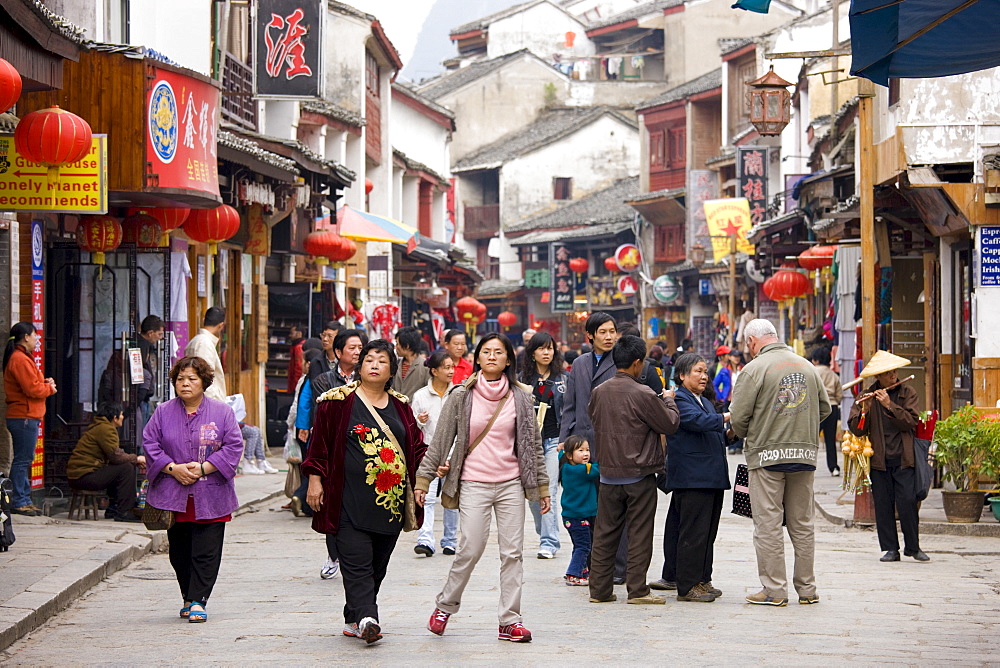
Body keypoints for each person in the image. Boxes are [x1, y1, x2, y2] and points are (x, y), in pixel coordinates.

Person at [417, 333, 549, 643]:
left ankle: (509, 620)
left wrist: (542, 487)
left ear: (507, 360)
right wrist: (424, 480)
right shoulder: (461, 395)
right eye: (486, 351)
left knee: (513, 553)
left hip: (511, 484)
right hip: (474, 482)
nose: (491, 356)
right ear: (477, 358)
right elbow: (440, 442)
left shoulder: (521, 396)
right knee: (470, 548)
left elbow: (532, 446)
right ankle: (444, 606)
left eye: (498, 352)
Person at [302, 339, 427, 644]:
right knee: (356, 558)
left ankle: (353, 616)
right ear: (359, 366)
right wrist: (315, 481)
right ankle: (369, 617)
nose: (374, 365)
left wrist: (427, 477)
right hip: (347, 499)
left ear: (391, 370)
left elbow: (418, 447)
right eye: (369, 359)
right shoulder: (337, 402)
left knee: (377, 565)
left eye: (382, 361)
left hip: (390, 504)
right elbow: (320, 445)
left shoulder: (401, 406)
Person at [729, 318, 831, 607]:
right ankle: (807, 589)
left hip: (767, 456)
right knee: (802, 524)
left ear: (751, 342)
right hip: (804, 455)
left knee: (768, 525)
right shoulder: (807, 366)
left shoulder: (754, 369)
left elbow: (738, 418)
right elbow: (825, 408)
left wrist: (756, 430)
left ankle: (775, 590)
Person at [143, 356, 244, 623]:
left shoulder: (222, 412)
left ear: (204, 382)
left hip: (212, 494)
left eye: (192, 379)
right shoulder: (163, 411)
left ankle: (199, 600)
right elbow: (150, 443)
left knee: (206, 550)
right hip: (174, 494)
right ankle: (188, 595)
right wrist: (172, 468)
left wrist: (202, 469)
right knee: (179, 552)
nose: (185, 384)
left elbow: (234, 446)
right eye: (180, 379)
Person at [586, 335, 679, 605]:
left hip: (607, 475)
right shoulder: (644, 393)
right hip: (639, 475)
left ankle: (599, 591)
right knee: (639, 533)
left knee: (604, 534)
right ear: (637, 363)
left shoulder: (599, 391)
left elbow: (594, 417)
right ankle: (637, 590)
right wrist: (669, 399)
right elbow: (669, 423)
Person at [660, 353, 730, 603]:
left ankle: (702, 579)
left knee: (707, 532)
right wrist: (726, 417)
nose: (703, 376)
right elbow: (698, 422)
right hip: (693, 477)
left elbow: (713, 431)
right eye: (698, 371)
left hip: (710, 476)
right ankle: (687, 585)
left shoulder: (703, 400)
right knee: (693, 533)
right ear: (682, 375)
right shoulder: (679, 399)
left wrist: (730, 434)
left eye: (705, 372)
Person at [847, 352, 927, 562]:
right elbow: (856, 430)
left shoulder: (907, 392)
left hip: (903, 457)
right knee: (883, 505)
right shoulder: (866, 395)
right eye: (887, 373)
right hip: (878, 459)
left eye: (894, 372)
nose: (893, 376)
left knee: (908, 502)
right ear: (878, 377)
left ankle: (913, 547)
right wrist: (864, 410)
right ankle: (890, 548)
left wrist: (889, 406)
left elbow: (911, 421)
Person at [519, 331, 567, 559]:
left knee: (549, 491)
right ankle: (545, 533)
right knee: (533, 492)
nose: (546, 352)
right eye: (541, 348)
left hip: (555, 441)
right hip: (529, 443)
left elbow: (570, 410)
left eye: (550, 348)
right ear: (532, 352)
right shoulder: (521, 380)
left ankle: (549, 541)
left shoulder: (564, 379)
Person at [3, 322, 57, 516]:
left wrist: (44, 382)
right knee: (22, 460)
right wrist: (49, 388)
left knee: (24, 459)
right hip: (23, 416)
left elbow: (33, 383)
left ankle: (23, 498)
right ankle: (19, 500)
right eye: (35, 336)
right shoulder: (20, 359)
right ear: (26, 337)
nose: (37, 339)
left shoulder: (22, 357)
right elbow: (32, 389)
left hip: (26, 416)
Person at [411, 351, 459, 556]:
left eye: (452, 367)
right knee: (427, 498)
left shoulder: (458, 393)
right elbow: (412, 428)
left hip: (454, 453)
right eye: (446, 367)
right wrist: (420, 422)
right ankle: (425, 538)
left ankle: (450, 540)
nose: (450, 371)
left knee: (451, 498)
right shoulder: (420, 396)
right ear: (434, 371)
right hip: (429, 453)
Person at [67, 402, 145, 522]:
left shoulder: (100, 426)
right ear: (115, 417)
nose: (123, 417)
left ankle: (113, 508)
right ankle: (124, 512)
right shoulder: (106, 428)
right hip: (84, 476)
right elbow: (115, 456)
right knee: (126, 468)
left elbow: (114, 455)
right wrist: (136, 459)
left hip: (80, 476)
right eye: (121, 414)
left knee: (118, 467)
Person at [560, 312, 618, 447]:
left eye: (612, 332)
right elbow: (570, 405)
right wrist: (563, 439)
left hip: (612, 440)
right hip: (581, 441)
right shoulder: (579, 363)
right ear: (590, 335)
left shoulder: (622, 362)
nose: (608, 337)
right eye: (602, 332)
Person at [560, 435, 598, 586]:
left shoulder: (566, 467)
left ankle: (582, 573)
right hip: (578, 517)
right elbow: (597, 470)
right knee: (584, 546)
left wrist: (561, 450)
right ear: (570, 455)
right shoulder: (580, 470)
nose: (586, 454)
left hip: (572, 517)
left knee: (580, 545)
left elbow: (560, 454)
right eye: (580, 450)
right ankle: (573, 574)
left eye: (588, 450)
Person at [810, 347, 842, 477]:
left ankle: (808, 465)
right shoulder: (833, 374)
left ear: (815, 360)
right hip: (832, 407)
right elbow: (839, 394)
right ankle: (834, 467)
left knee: (811, 439)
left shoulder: (811, 372)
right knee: (830, 439)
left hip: (815, 407)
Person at [185, 307, 228, 401]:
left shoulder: (198, 340)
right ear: (221, 325)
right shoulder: (204, 343)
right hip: (205, 403)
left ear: (204, 320)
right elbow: (205, 379)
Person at [312, 329, 368, 397]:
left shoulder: (367, 379)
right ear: (338, 352)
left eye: (360, 348)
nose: (358, 352)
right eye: (352, 348)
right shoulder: (323, 381)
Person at [393, 325, 430, 400]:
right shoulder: (395, 365)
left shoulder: (426, 366)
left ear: (407, 346)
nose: (396, 347)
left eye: (397, 343)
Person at [309, 321, 345, 385]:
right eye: (323, 335)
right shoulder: (316, 362)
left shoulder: (346, 361)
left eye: (330, 336)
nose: (325, 339)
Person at [286, 325, 306, 393]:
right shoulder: (300, 345)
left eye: (292, 333)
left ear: (299, 334)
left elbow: (299, 367)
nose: (290, 335)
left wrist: (296, 384)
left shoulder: (299, 347)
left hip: (296, 380)